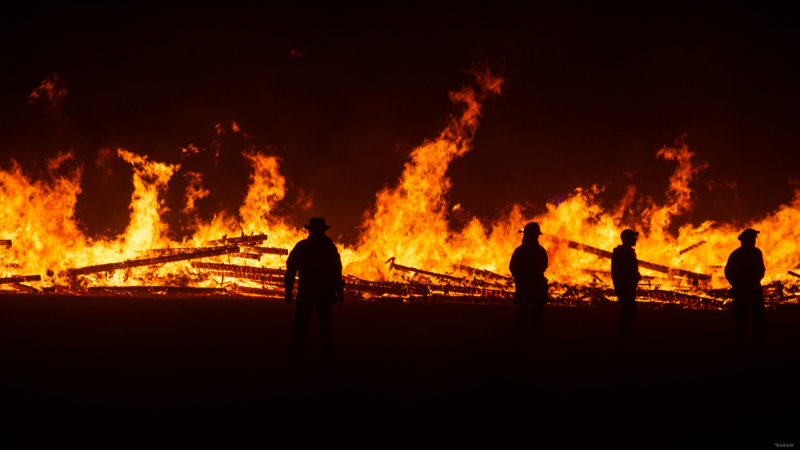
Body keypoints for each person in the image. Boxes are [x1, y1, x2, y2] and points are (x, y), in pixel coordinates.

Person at [285, 217, 345, 356]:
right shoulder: (329, 246)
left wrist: (288, 290)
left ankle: (297, 355)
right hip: (324, 292)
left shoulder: (302, 246)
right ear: (323, 230)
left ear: (310, 230)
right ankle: (326, 355)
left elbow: (291, 269)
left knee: (301, 325)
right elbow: (337, 271)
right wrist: (339, 292)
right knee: (325, 326)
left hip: (306, 291)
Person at [724, 228, 766, 349]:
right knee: (757, 317)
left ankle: (741, 342)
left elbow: (728, 272)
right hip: (751, 289)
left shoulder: (736, 254)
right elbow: (761, 270)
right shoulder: (755, 253)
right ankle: (758, 342)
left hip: (742, 290)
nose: (754, 241)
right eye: (753, 238)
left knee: (741, 317)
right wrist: (753, 281)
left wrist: (735, 284)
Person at [509, 222, 549, 344]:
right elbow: (544, 266)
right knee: (537, 315)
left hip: (524, 287)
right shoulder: (541, 251)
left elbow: (512, 267)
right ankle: (537, 341)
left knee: (523, 314)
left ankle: (520, 341)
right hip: (537, 288)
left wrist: (521, 277)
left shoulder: (519, 251)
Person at [611, 229, 642, 345]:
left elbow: (629, 269)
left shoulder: (628, 252)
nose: (635, 239)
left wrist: (636, 275)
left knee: (628, 311)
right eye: (633, 237)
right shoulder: (621, 252)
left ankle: (621, 336)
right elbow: (618, 272)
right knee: (630, 311)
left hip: (628, 287)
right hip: (625, 288)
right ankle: (621, 337)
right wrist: (619, 287)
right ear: (626, 239)